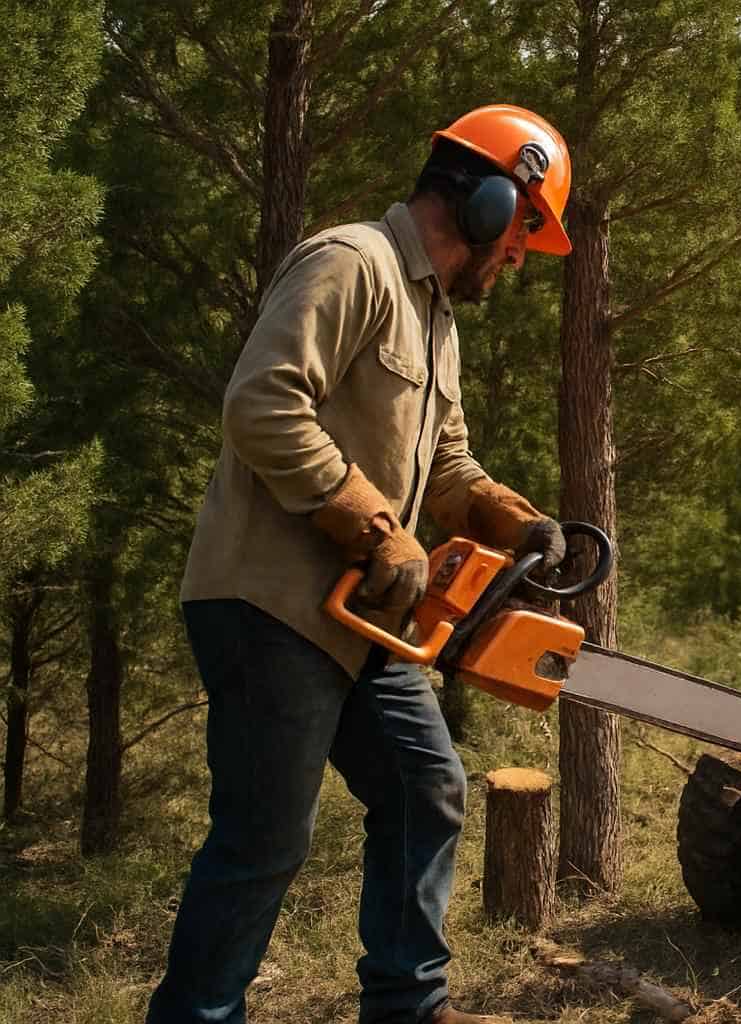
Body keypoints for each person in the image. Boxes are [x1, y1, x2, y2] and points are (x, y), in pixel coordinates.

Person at [147, 105, 574, 1024]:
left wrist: (519, 520)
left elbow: (449, 466)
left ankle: (408, 1007)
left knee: (426, 786)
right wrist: (378, 528)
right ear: (497, 204)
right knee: (265, 839)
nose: (517, 263)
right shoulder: (350, 264)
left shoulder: (437, 321)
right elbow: (262, 406)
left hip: (363, 617)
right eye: (524, 239)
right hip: (271, 603)